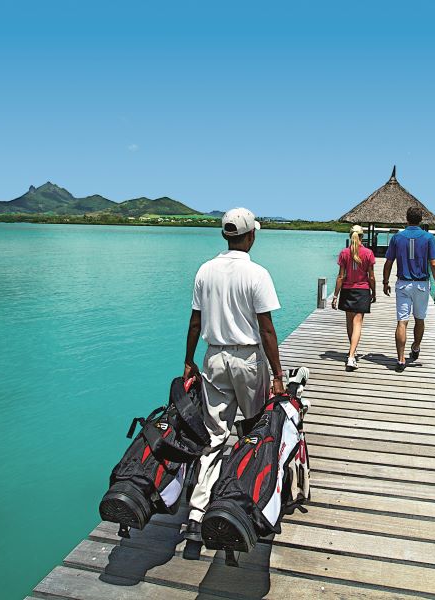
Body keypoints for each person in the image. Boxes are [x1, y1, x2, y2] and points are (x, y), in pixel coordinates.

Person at [181, 207, 284, 560]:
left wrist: (188, 360)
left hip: (213, 357)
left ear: (226, 235)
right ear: (251, 235)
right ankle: (241, 502)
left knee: (214, 434)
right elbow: (266, 328)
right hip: (247, 359)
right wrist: (279, 375)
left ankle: (196, 515)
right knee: (253, 433)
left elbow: (195, 321)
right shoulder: (257, 274)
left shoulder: (204, 270)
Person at [383, 207, 435, 372]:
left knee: (402, 322)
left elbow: (388, 262)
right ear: (421, 219)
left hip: (403, 283)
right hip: (422, 285)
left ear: (406, 218)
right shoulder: (428, 237)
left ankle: (401, 359)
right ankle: (415, 347)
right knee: (420, 319)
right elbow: (434, 264)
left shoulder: (397, 237)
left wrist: (385, 281)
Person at [331, 224, 376, 371]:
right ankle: (351, 356)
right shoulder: (368, 253)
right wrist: (374, 292)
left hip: (347, 291)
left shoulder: (344, 253)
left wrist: (335, 295)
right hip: (362, 291)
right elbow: (371, 277)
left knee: (350, 324)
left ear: (350, 236)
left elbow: (340, 276)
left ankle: (352, 350)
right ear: (362, 237)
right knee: (358, 324)